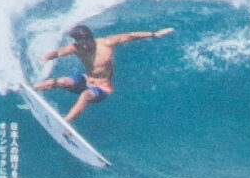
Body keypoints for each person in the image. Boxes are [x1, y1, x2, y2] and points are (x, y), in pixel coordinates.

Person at [32, 23, 174, 125]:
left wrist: (154, 34)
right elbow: (58, 53)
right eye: (80, 43)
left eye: (86, 42)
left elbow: (130, 36)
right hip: (87, 80)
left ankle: (65, 123)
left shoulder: (106, 44)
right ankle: (31, 89)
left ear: (90, 37)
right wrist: (46, 57)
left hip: (103, 88)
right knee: (61, 81)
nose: (84, 46)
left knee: (85, 95)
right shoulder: (76, 48)